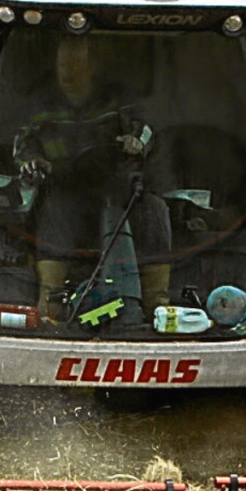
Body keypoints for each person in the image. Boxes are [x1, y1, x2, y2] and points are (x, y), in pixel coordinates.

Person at [15, 34, 172, 326]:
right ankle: (51, 305)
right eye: (63, 64)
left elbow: (147, 129)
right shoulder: (43, 105)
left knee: (154, 209)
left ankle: (157, 307)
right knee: (53, 208)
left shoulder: (118, 100)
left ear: (93, 66)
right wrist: (31, 161)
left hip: (119, 188)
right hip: (66, 189)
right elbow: (23, 143)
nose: (68, 72)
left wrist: (136, 141)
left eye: (76, 64)